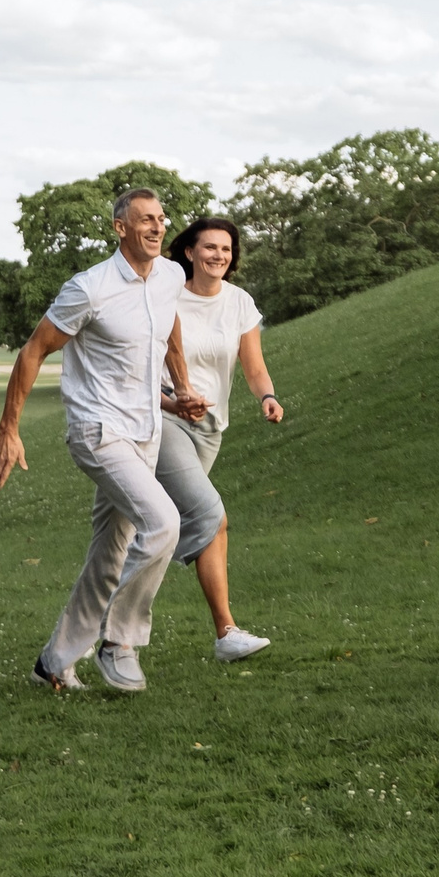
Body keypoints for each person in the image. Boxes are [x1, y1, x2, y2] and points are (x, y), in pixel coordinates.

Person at [0, 187, 208, 694]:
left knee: (112, 552)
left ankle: (53, 664)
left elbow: (168, 326)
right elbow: (32, 352)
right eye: (145, 220)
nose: (157, 227)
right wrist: (9, 431)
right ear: (120, 229)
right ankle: (119, 640)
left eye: (161, 219)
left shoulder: (171, 276)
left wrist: (182, 386)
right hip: (97, 431)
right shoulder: (90, 288)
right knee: (163, 523)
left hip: (145, 430)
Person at [158, 215, 284, 663]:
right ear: (189, 252)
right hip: (163, 417)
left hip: (210, 429)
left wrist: (266, 396)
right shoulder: (164, 296)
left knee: (147, 529)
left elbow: (252, 365)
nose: (219, 256)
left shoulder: (239, 302)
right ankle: (226, 632)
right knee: (211, 515)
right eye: (209, 247)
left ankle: (108, 626)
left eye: (226, 249)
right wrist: (170, 401)